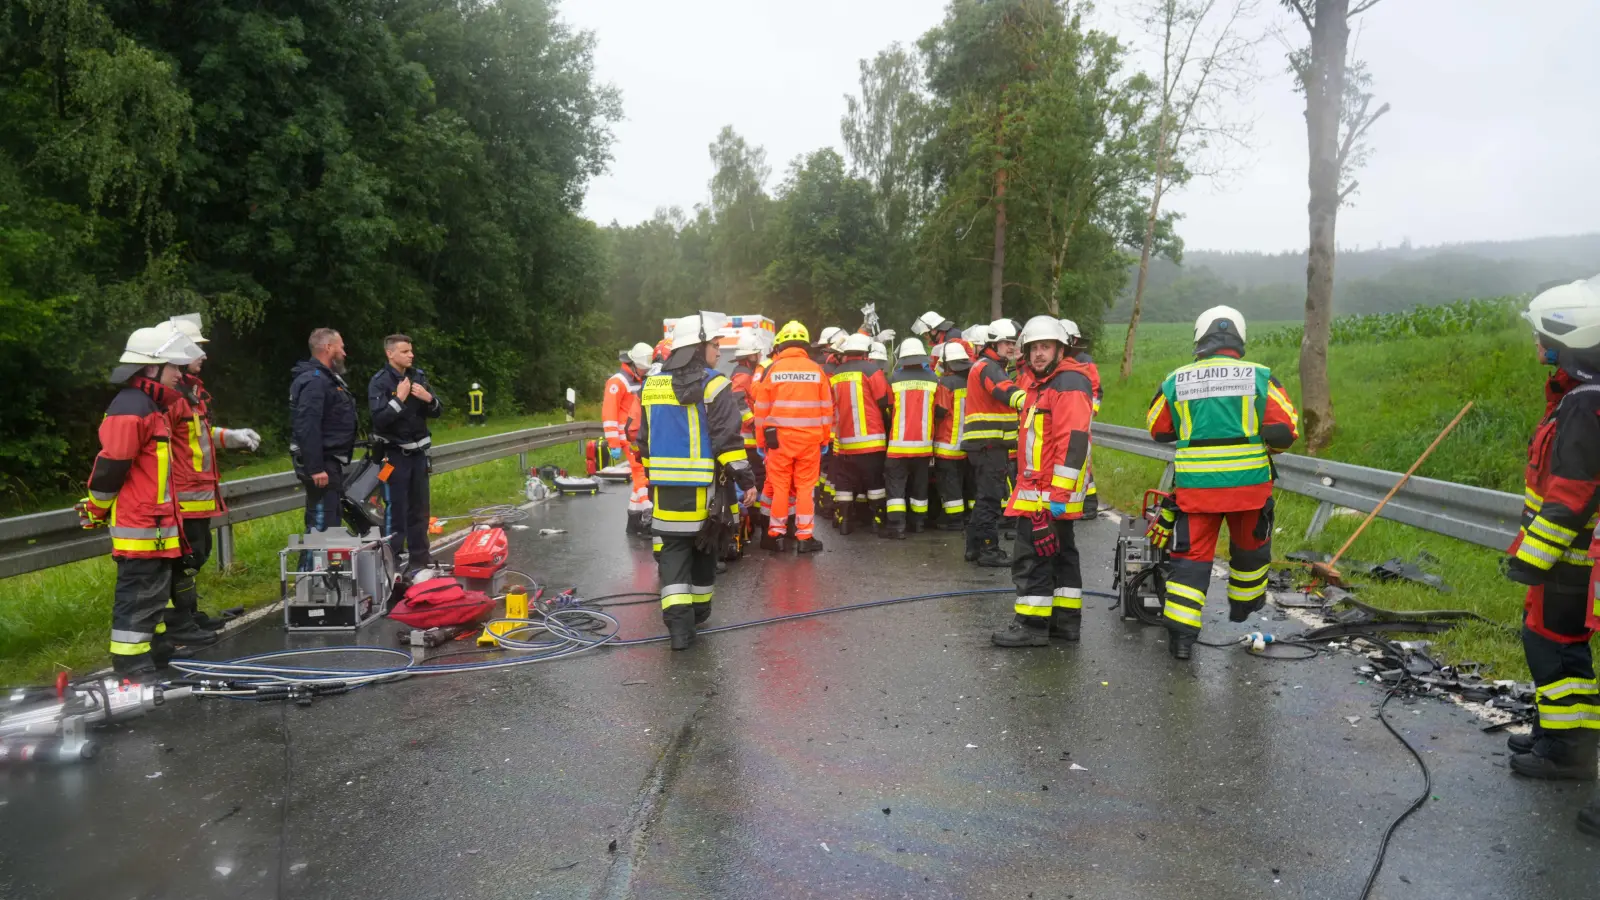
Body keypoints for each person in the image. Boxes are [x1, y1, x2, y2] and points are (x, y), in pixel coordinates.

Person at [1146, 305, 1299, 660]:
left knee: (1190, 562)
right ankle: (1243, 610)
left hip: (1196, 491)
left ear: (1200, 337)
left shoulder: (1175, 380)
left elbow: (1158, 428)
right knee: (1250, 551)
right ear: (1239, 338)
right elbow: (1286, 430)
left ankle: (1182, 641)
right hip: (1249, 488)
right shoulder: (1262, 376)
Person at [1502, 280, 1600, 803]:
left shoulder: (1585, 405)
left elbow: (1570, 495)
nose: (1537, 342)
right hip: (1569, 555)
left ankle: (1568, 752)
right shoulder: (1579, 396)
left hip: (1568, 556)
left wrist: (1532, 559)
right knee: (1558, 647)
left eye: (1542, 334)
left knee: (1554, 648)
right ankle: (1560, 736)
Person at [76, 325, 205, 678]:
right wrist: (96, 509)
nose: (179, 373)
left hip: (158, 523)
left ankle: (158, 650)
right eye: (172, 367)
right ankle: (131, 662)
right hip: (140, 524)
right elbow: (110, 469)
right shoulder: (132, 408)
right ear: (151, 368)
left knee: (155, 594)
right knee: (137, 596)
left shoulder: (152, 406)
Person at [636, 315, 758, 649]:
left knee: (673, 553)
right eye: (714, 346)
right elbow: (728, 441)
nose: (718, 353)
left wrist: (654, 476)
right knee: (705, 548)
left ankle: (678, 630)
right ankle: (699, 613)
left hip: (665, 493)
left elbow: (643, 443)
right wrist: (746, 480)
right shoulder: (716, 384)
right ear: (697, 347)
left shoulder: (651, 385)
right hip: (707, 494)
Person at [990, 317, 1097, 648]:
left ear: (1060, 349)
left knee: (1032, 556)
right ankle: (1065, 623)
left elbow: (1073, 441)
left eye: (1045, 347)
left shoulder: (1067, 383)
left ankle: (1032, 625)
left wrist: (1057, 498)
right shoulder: (1042, 385)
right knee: (1061, 554)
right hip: (1045, 490)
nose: (1038, 354)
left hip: (1048, 493)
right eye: (1033, 348)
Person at [163, 315, 259, 642]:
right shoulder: (170, 396)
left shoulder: (191, 391)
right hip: (182, 494)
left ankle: (189, 615)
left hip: (200, 492)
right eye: (196, 349)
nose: (203, 356)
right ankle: (179, 624)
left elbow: (198, 436)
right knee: (186, 559)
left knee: (196, 556)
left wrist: (231, 436)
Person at [753, 321, 833, 552]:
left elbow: (761, 409)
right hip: (810, 442)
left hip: (779, 442)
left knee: (780, 487)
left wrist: (761, 442)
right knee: (806, 488)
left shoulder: (773, 370)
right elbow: (826, 409)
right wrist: (825, 440)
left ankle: (775, 534)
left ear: (782, 344)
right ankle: (804, 537)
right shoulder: (816, 370)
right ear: (805, 345)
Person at [369, 334, 442, 569]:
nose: (411, 355)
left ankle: (421, 559)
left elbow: (437, 411)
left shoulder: (418, 376)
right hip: (395, 456)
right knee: (396, 511)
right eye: (404, 351)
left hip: (419, 456)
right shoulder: (380, 382)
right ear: (390, 354)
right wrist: (399, 399)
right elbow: (379, 420)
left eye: (411, 351)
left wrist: (429, 398)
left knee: (420, 510)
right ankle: (392, 561)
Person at [963, 319, 1026, 566]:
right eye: (1006, 343)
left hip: (986, 444)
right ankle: (989, 550)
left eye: (1013, 343)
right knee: (991, 498)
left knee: (984, 498)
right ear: (993, 343)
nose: (1011, 347)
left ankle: (974, 547)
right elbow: (1005, 392)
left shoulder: (987, 364)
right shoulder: (989, 367)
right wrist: (1033, 402)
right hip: (989, 444)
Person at [290, 328, 359, 536]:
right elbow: (307, 425)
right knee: (321, 527)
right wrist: (316, 467)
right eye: (341, 347)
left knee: (329, 523)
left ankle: (326, 568)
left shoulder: (328, 379)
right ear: (328, 347)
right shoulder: (315, 381)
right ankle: (313, 568)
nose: (344, 353)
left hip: (329, 462)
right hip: (322, 464)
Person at [829, 332, 893, 535]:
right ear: (866, 352)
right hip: (871, 441)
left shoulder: (836, 374)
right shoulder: (872, 370)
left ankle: (845, 522)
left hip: (845, 442)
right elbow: (885, 400)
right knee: (874, 482)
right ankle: (878, 520)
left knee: (845, 484)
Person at [884, 338, 938, 538]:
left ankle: (897, 527)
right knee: (920, 484)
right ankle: (918, 524)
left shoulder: (894, 379)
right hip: (924, 445)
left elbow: (888, 407)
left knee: (896, 484)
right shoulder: (933, 379)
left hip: (898, 445)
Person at [604, 343, 656, 536]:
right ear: (633, 363)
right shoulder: (617, 382)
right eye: (643, 367)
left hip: (638, 435)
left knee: (639, 478)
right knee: (642, 477)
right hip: (627, 437)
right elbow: (609, 414)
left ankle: (634, 521)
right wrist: (613, 444)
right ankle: (648, 517)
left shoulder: (640, 379)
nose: (645, 371)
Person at [934, 341, 975, 532]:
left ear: (948, 363)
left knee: (950, 483)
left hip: (947, 444)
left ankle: (954, 520)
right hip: (969, 443)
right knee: (968, 481)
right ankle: (970, 516)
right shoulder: (972, 381)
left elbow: (940, 411)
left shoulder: (945, 383)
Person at [730, 334, 768, 536]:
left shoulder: (744, 372)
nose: (759, 356)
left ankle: (754, 518)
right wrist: (752, 422)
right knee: (755, 480)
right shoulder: (743, 375)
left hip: (749, 439)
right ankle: (754, 518)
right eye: (757, 354)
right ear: (750, 356)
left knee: (754, 480)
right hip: (748, 440)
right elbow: (737, 400)